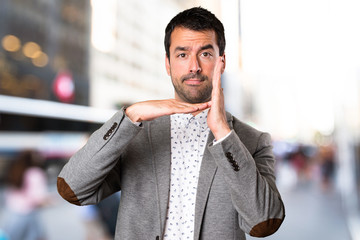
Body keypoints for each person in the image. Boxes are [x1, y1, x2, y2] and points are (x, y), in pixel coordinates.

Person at [57, 7, 285, 240]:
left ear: (221, 62)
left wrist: (224, 134)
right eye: (182, 54)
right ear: (167, 63)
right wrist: (131, 115)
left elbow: (264, 223)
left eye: (205, 54)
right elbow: (73, 189)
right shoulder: (135, 132)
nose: (194, 66)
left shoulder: (254, 141)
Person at [2, 150, 48, 240]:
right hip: (29, 214)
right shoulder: (35, 173)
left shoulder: (15, 170)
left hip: (13, 213)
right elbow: (38, 198)